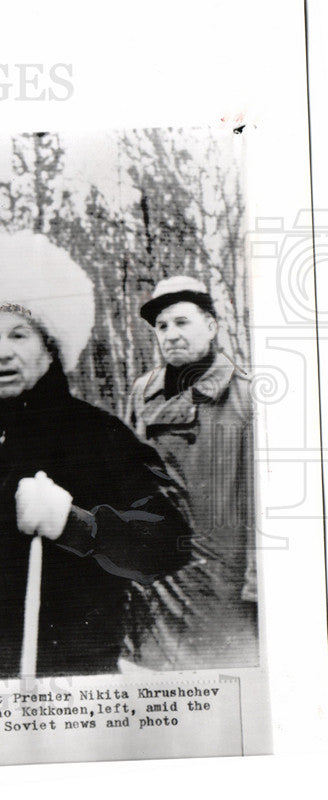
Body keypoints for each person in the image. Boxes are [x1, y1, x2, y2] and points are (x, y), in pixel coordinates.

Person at [0, 233, 191, 680]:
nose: (3, 351)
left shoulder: (94, 433)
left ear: (49, 346)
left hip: (62, 676)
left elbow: (170, 538)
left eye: (19, 334)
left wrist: (75, 524)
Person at [125, 276, 257, 668]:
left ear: (212, 326)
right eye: (162, 327)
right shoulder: (141, 392)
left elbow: (261, 500)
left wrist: (257, 585)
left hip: (222, 584)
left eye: (182, 322)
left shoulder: (247, 397)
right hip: (157, 580)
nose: (170, 335)